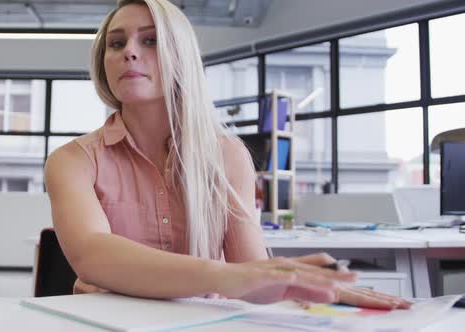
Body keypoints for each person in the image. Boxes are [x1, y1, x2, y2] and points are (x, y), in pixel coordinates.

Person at [45, 0, 411, 309]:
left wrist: (310, 287)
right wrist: (224, 277)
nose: (129, 51)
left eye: (152, 40)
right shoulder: (72, 161)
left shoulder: (227, 154)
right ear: (103, 63)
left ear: (181, 56)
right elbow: (93, 255)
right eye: (116, 43)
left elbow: (250, 270)